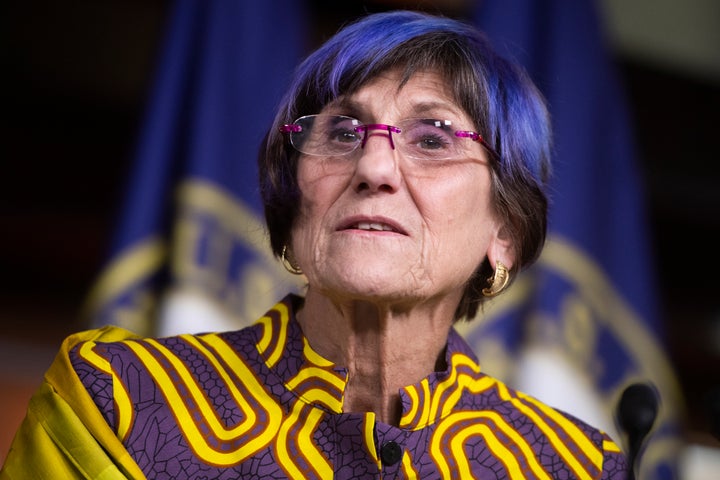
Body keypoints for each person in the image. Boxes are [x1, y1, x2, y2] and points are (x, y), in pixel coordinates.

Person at [1, 10, 627, 479]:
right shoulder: (119, 404)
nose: (375, 167)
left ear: (506, 234)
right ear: (294, 205)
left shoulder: (575, 466)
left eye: (432, 139)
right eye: (342, 131)